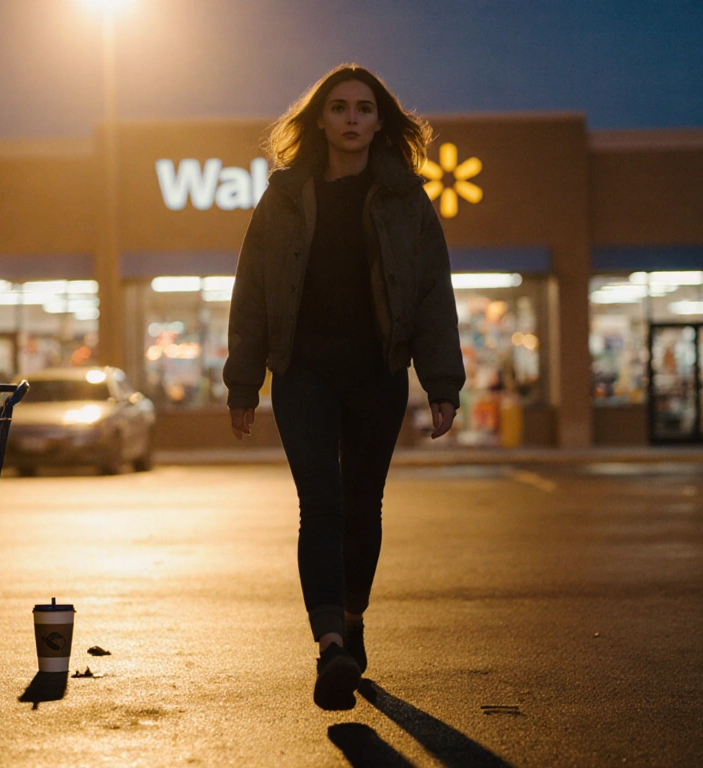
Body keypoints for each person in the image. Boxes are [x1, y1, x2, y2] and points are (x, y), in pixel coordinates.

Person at [223, 64, 465, 711]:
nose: (352, 119)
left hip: (377, 373)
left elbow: (431, 295)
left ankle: (352, 618)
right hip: (303, 373)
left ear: (379, 121)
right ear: (320, 120)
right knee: (321, 505)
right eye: (339, 108)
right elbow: (252, 295)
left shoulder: (407, 201)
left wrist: (441, 381)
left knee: (363, 505)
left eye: (364, 108)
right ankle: (331, 642)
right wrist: (244, 382)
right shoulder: (283, 197)